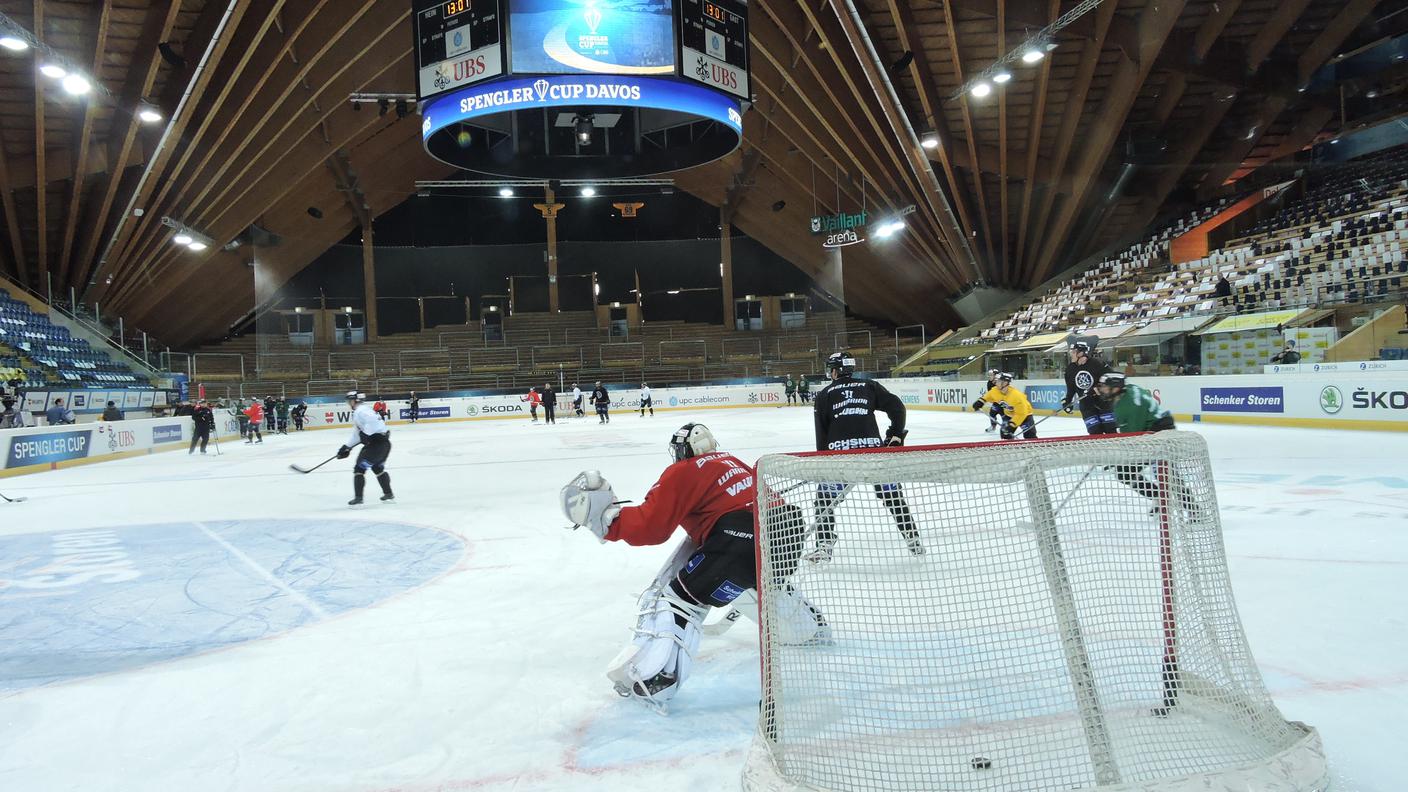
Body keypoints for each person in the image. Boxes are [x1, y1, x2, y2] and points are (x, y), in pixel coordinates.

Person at [558, 423, 828, 708]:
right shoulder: (730, 461)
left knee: (680, 600)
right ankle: (810, 627)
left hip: (740, 539)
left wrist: (607, 522)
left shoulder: (684, 470)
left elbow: (652, 526)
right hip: (787, 533)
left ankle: (660, 681)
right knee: (748, 578)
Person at [810, 351, 923, 562]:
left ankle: (824, 545)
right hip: (874, 455)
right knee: (893, 498)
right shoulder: (868, 386)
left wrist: (822, 464)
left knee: (824, 501)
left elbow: (822, 434)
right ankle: (913, 539)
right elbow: (897, 407)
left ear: (835, 371)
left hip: (840, 458)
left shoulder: (825, 394)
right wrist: (896, 435)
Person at [1096, 372, 1196, 513]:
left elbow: (1133, 438)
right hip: (1153, 432)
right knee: (1125, 473)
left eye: (1104, 386)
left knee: (1166, 475)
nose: (1102, 390)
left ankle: (1194, 510)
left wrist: (1118, 457)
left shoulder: (1128, 405)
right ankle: (1159, 497)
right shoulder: (1129, 390)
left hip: (1159, 434)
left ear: (1116, 387)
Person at [335, 391, 394, 506]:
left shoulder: (360, 411)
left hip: (376, 445)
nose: (349, 403)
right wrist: (347, 447)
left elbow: (372, 422)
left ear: (354, 400)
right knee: (377, 467)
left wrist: (366, 434)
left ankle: (358, 498)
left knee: (359, 468)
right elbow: (357, 434)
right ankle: (388, 493)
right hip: (384, 444)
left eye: (349, 401)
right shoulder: (364, 410)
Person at [1061, 340, 1117, 435]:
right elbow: (1071, 389)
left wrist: (1097, 388)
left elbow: (1111, 378)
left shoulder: (1097, 363)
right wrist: (1067, 401)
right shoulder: (1070, 369)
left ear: (1081, 353)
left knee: (1110, 431)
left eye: (1073, 352)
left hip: (1103, 403)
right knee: (1095, 432)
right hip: (1087, 406)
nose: (1071, 354)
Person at [971, 372, 1037, 440]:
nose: (996, 383)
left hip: (1025, 416)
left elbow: (1021, 413)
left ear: (1005, 383)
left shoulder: (1017, 396)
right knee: (1004, 434)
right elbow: (988, 396)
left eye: (998, 381)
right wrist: (980, 401)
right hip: (1009, 415)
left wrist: (1012, 424)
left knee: (1030, 435)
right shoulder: (995, 390)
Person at [982, 368, 1004, 432]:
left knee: (1004, 416)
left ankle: (1008, 426)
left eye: (991, 375)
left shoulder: (1001, 382)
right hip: (996, 403)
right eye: (989, 374)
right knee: (992, 414)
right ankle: (993, 426)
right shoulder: (989, 383)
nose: (989, 376)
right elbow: (991, 393)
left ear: (996, 375)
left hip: (1003, 403)